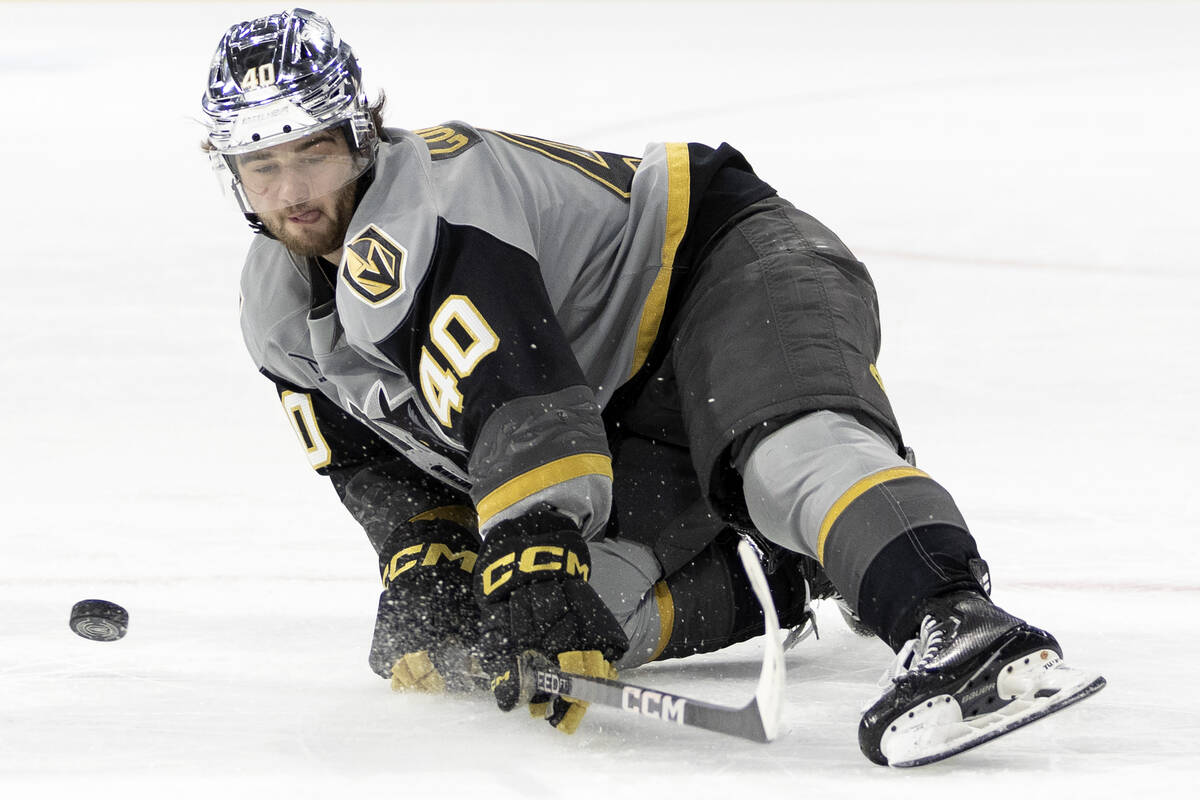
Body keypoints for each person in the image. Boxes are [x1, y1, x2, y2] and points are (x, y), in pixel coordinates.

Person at [201, 8, 1104, 766]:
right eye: (261, 166)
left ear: (360, 135)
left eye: (309, 152)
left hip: (719, 269)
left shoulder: (430, 204)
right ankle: (795, 574)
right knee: (554, 623)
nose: (291, 192)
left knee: (786, 455)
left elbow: (521, 397)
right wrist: (420, 560)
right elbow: (366, 455)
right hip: (616, 403)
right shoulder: (274, 304)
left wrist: (534, 539)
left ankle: (957, 617)